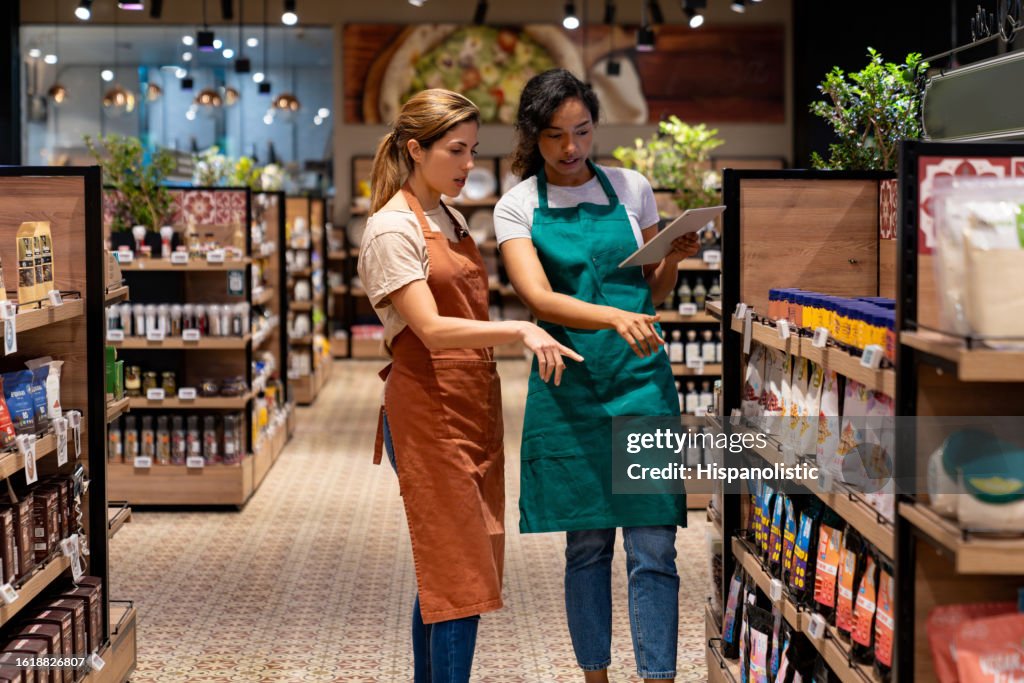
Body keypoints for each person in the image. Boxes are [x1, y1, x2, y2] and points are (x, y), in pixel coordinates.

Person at [357, 88, 582, 683]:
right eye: (456, 151)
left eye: (474, 150)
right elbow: (429, 329)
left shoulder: (450, 219)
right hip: (428, 409)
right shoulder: (390, 229)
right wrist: (519, 329)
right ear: (414, 149)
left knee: (454, 569)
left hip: (472, 405)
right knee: (460, 573)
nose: (469, 166)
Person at [494, 70, 701, 683]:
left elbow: (650, 293)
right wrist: (614, 316)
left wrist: (672, 262)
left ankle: (657, 676)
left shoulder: (632, 189)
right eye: (556, 135)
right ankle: (595, 677)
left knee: (654, 547)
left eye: (581, 131)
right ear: (534, 136)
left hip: (641, 380)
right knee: (587, 548)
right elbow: (538, 298)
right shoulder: (519, 205)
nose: (571, 148)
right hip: (572, 389)